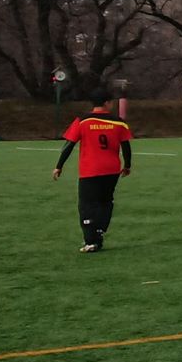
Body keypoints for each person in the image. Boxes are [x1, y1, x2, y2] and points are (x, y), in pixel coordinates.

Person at [52, 93, 132, 253]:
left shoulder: (82, 121)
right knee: (106, 201)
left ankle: (90, 240)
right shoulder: (119, 122)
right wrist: (127, 165)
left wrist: (59, 166)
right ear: (107, 103)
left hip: (90, 169)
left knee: (87, 204)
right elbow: (126, 147)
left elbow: (69, 145)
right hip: (111, 169)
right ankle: (100, 231)